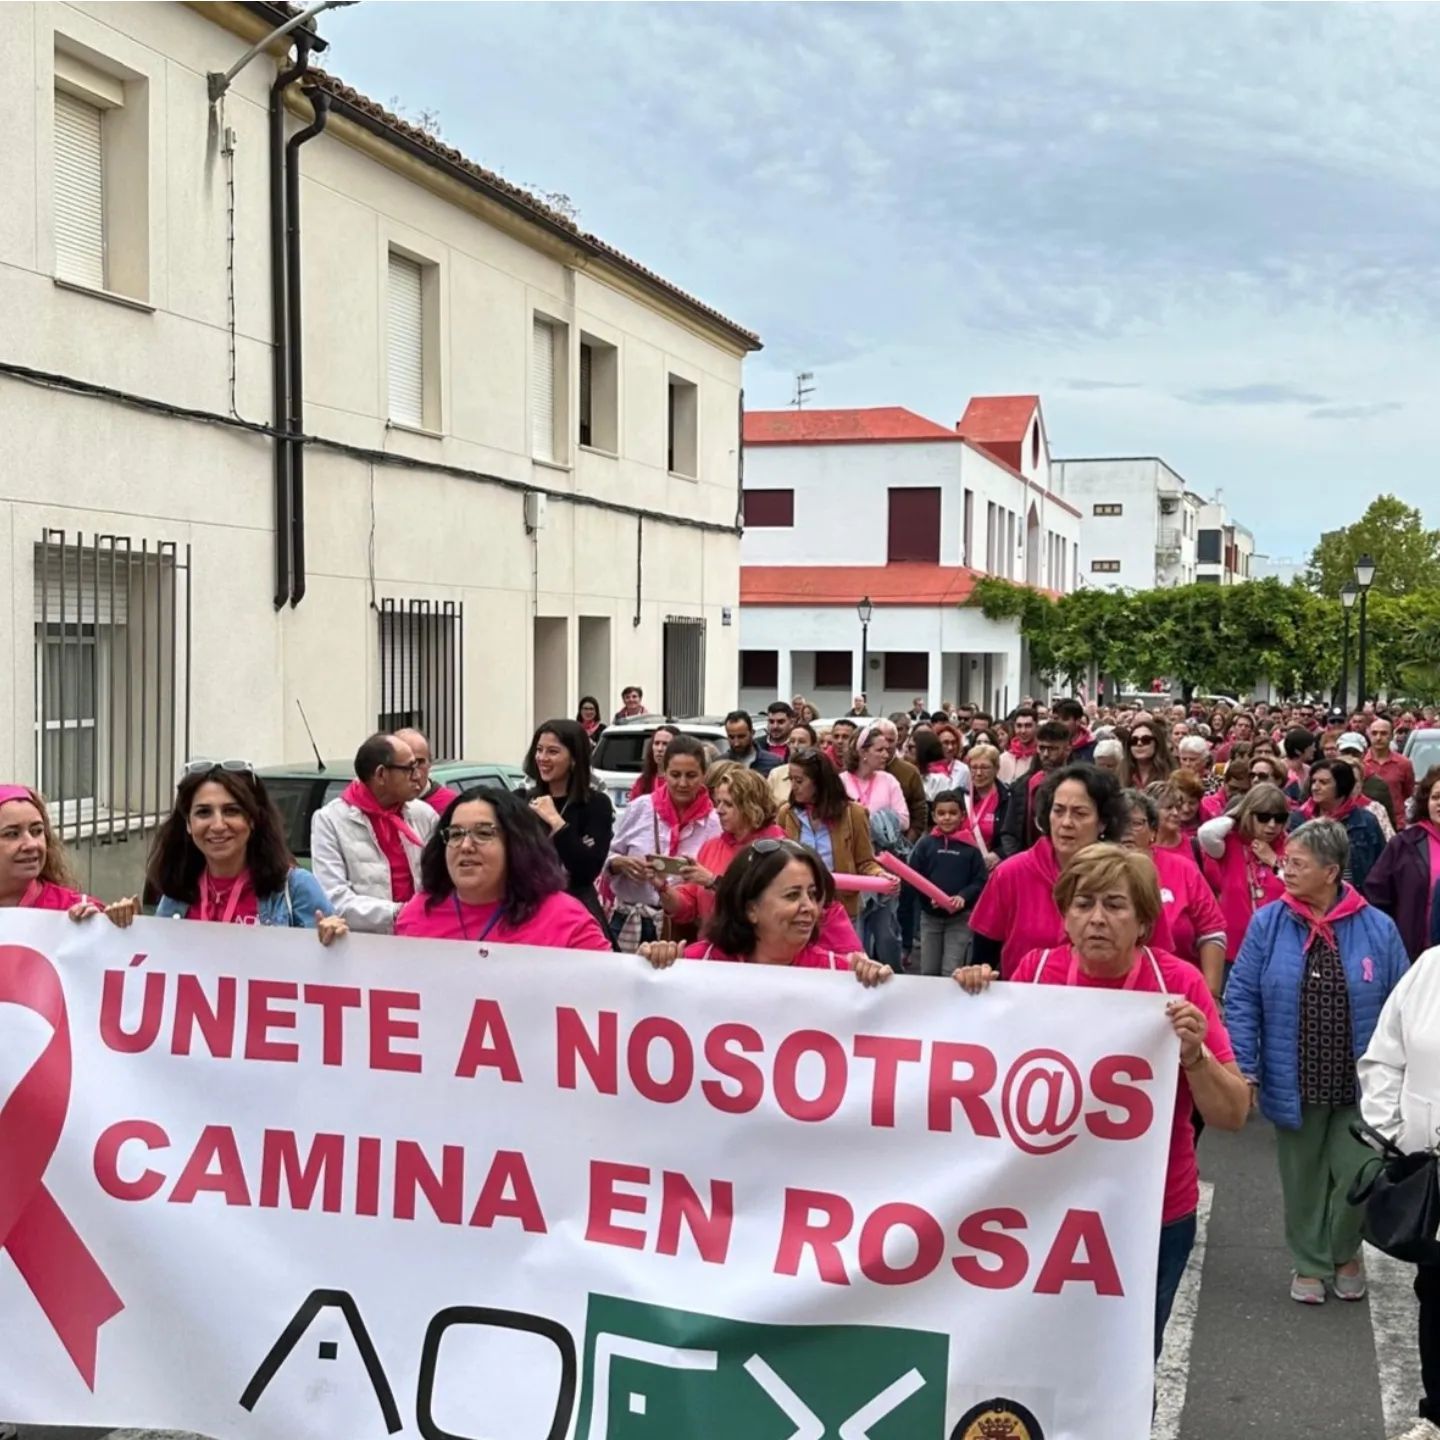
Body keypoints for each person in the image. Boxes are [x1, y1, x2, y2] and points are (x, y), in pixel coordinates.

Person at [954, 844, 1248, 1357]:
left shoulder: (1177, 985)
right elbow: (976, 1084)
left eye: (1114, 905)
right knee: (1034, 1351)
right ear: (1064, 916)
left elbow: (1233, 1114)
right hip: (1042, 1209)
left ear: (1142, 922)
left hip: (1150, 1212)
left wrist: (1194, 1056)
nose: (1096, 919)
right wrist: (970, 997)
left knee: (1128, 1361)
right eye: (1083, 904)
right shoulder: (1034, 973)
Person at [1225, 819, 1409, 1304]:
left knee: (1360, 1174)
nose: (1285, 870)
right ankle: (1309, 1261)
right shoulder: (1268, 922)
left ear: (1331, 872)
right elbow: (1242, 995)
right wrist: (1245, 1067)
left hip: (1364, 1085)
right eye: (1286, 861)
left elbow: (1403, 1006)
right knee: (1303, 1178)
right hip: (1294, 1077)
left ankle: (1344, 1249)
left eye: (1298, 864)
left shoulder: (1377, 927)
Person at [970, 764, 1173, 976]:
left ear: (1103, 822)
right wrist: (976, 975)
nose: (1066, 823)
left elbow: (1159, 961)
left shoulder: (1131, 875)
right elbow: (983, 958)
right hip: (1027, 1003)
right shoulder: (1011, 873)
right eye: (1058, 811)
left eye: (1080, 813)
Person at [1358, 940, 1440, 1439]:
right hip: (1432, 1172)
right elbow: (1385, 1058)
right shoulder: (1431, 967)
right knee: (1436, 1296)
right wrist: (1395, 1133)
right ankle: (1436, 1414)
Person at [660, 766, 861, 952]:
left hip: (763, 958)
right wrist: (664, 890)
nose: (718, 810)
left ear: (751, 806)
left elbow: (764, 903)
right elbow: (689, 906)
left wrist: (713, 882)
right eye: (717, 802)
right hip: (716, 956)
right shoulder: (711, 846)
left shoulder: (779, 849)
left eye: (728, 804)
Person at [639, 839, 891, 984]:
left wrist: (875, 986)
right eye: (792, 895)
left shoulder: (841, 976)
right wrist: (650, 966)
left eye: (812, 894)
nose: (809, 907)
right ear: (751, 909)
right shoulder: (692, 964)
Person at [396, 786, 610, 949]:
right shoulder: (417, 913)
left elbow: (611, 991)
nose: (466, 846)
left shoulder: (567, 921)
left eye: (483, 833)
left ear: (516, 844)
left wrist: (641, 969)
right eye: (456, 834)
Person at [149, 762, 345, 940]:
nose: (217, 825)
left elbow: (332, 970)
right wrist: (128, 930)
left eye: (231, 811)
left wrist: (334, 940)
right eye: (203, 812)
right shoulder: (177, 894)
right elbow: (156, 963)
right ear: (188, 824)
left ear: (252, 820)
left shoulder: (296, 888)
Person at [311, 733, 438, 933]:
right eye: (409, 769)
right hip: (366, 947)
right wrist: (400, 912)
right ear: (381, 775)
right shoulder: (330, 820)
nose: (418, 776)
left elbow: (440, 882)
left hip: (421, 937)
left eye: (419, 766)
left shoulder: (424, 815)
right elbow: (334, 899)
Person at [607, 734, 720, 950]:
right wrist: (621, 864)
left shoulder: (714, 823)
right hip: (630, 921)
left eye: (691, 775)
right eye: (675, 774)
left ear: (704, 775)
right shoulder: (641, 808)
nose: (682, 783)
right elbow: (609, 858)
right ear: (664, 773)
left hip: (682, 929)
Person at [1121, 789, 1226, 1000]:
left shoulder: (1183, 870)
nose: (1126, 831)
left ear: (1152, 830)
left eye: (1136, 823)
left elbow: (1212, 932)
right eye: (1118, 822)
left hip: (1178, 994)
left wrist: (1210, 995)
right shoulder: (1092, 871)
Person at [778, 747, 893, 918]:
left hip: (841, 907)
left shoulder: (854, 814)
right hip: (798, 908)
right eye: (791, 779)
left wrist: (879, 874)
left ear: (819, 782)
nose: (793, 787)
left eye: (799, 781)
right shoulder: (786, 813)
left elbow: (864, 861)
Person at [523, 718, 614, 932]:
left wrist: (557, 823)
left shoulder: (596, 804)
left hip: (575, 912)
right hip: (526, 909)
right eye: (539, 750)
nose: (542, 758)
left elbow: (586, 871)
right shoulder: (521, 801)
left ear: (574, 758)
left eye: (553, 752)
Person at [0, 784, 136, 924]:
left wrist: (118, 926)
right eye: (12, 834)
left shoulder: (76, 912)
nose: (31, 844)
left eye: (37, 831)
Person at [1197, 783, 1290, 964]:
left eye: (1279, 818)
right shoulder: (1230, 842)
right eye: (1263, 817)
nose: (1272, 825)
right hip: (1234, 948)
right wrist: (1237, 814)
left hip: (1277, 947)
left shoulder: (1290, 845)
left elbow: (1301, 886)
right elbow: (1206, 833)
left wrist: (1273, 861)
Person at [1365, 765, 1440, 959]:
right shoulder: (1404, 844)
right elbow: (1377, 895)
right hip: (1413, 955)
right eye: (1435, 797)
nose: (1439, 803)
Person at [909, 790, 987, 976]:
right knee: (929, 970)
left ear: (962, 815)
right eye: (941, 813)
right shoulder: (925, 845)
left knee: (951, 971)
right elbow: (914, 877)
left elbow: (980, 880)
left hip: (960, 919)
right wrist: (929, 898)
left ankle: (950, 1005)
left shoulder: (971, 848)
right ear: (934, 816)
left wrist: (963, 896)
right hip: (930, 919)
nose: (947, 818)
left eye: (952, 813)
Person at [1289, 758, 1384, 890]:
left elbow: (1381, 866)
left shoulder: (1365, 821)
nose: (1315, 787)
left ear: (1341, 785)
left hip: (1355, 898)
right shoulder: (1299, 819)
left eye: (1323, 782)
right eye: (1314, 781)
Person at [996, 720, 1071, 857]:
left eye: (1052, 749)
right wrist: (1018, 861)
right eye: (1041, 748)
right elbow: (1010, 830)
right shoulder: (1024, 785)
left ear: (1067, 749)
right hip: (1030, 857)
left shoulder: (1080, 784)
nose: (1046, 754)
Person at [842, 723, 911, 830]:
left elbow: (904, 821)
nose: (886, 755)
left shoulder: (889, 780)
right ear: (863, 752)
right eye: (880, 750)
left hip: (882, 846)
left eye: (886, 750)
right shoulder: (841, 781)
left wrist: (873, 822)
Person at [960, 743, 1009, 869]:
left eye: (985, 767)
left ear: (996, 769)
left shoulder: (1008, 798)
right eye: (974, 767)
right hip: (962, 864)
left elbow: (1015, 837)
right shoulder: (959, 796)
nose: (979, 773)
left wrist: (999, 854)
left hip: (993, 867)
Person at [1365, 717, 1416, 829]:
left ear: (1392, 736)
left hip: (1396, 824)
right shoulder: (1361, 762)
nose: (1378, 738)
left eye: (1383, 733)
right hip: (1367, 823)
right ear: (1368, 735)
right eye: (1374, 733)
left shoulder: (1404, 764)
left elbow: (1407, 792)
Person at [397, 727, 459, 817]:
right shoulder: (380, 803)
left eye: (419, 762)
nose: (414, 773)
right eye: (404, 763)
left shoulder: (451, 805)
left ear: (430, 763)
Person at [913, 727, 972, 802]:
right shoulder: (925, 768)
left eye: (953, 743)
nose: (950, 747)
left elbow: (967, 796)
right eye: (945, 743)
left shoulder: (963, 769)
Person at [721, 709, 782, 775]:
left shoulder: (773, 763)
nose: (736, 743)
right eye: (731, 737)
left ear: (752, 733)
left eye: (741, 737)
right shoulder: (720, 764)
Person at [627, 724, 677, 802]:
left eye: (665, 744)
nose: (659, 749)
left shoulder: (682, 782)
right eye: (657, 743)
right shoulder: (643, 782)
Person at [1120, 718, 1173, 790]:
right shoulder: (1120, 774)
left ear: (1157, 743)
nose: (1139, 744)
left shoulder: (1171, 775)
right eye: (1134, 740)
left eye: (1145, 740)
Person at [999, 707, 1038, 784]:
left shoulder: (1042, 756)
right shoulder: (1003, 758)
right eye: (1019, 726)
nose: (1023, 731)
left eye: (1028, 726)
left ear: (1036, 726)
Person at [1053, 697, 1097, 763]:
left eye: (1065, 719)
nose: (1059, 723)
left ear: (1078, 721)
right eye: (1056, 719)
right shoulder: (1046, 745)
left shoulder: (1092, 748)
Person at [1283, 727, 1318, 806]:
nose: (1314, 749)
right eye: (1311, 747)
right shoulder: (1280, 769)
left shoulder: (1308, 770)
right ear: (1298, 751)